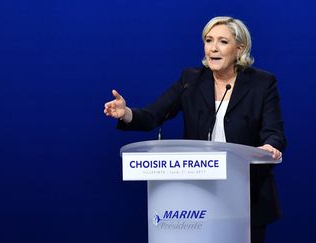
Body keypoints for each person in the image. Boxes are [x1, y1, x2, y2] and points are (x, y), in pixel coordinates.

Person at [103, 16, 286, 243]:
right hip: (197, 194)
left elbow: (274, 130)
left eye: (222, 42)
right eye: (209, 41)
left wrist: (270, 146)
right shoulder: (191, 80)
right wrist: (126, 113)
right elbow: (153, 115)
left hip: (247, 195)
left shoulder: (262, 83)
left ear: (239, 49)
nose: (213, 48)